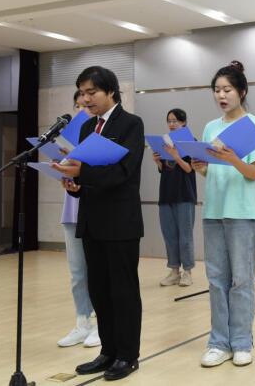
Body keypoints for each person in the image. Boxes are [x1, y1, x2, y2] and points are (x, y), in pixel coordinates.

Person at [53, 66, 144, 381]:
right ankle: (108, 351)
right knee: (100, 291)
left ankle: (128, 355)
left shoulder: (131, 124)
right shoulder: (87, 127)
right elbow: (87, 173)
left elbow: (124, 173)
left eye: (91, 92)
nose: (85, 99)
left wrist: (82, 173)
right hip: (92, 220)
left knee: (123, 291)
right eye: (82, 93)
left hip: (121, 222)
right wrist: (74, 185)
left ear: (111, 91)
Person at [191, 61, 255, 368]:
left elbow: (253, 173)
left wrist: (233, 158)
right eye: (217, 90)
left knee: (241, 280)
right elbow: (212, 172)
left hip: (242, 212)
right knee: (216, 279)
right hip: (214, 211)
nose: (221, 95)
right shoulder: (211, 127)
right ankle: (218, 342)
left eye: (227, 90)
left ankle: (242, 342)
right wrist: (201, 167)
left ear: (242, 91)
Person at [57, 90, 100, 348]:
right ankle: (82, 322)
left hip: (94, 209)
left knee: (97, 271)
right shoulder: (74, 135)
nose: (81, 108)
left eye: (85, 103)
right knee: (77, 273)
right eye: (77, 104)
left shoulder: (101, 133)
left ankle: (101, 324)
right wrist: (63, 160)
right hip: (71, 210)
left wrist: (74, 161)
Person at [153, 108, 197, 287]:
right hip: (166, 194)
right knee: (169, 235)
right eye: (169, 121)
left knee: (185, 236)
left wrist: (176, 156)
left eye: (175, 121)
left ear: (183, 122)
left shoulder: (191, 142)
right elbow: (165, 169)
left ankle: (188, 272)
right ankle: (174, 271)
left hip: (184, 194)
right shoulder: (165, 142)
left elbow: (189, 169)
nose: (171, 124)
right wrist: (158, 162)